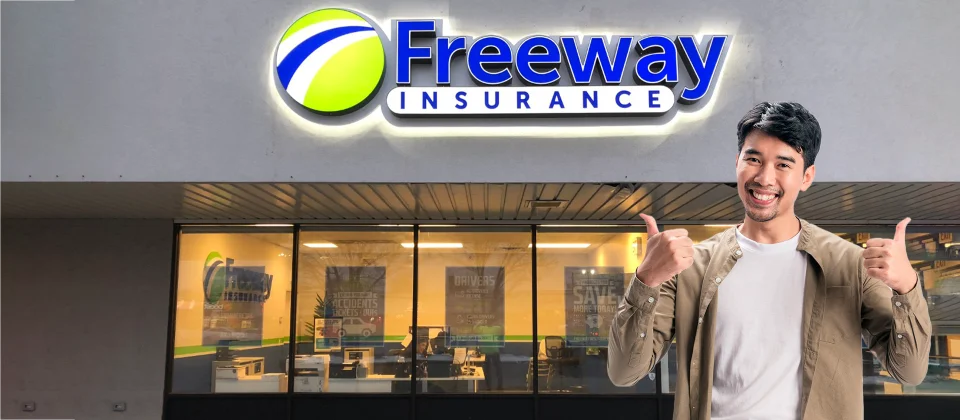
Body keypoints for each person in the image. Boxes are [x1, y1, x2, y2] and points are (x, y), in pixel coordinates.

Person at [607, 102, 932, 420]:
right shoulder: (691, 266)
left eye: (783, 164)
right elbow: (625, 373)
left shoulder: (849, 264)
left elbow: (909, 372)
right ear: (737, 162)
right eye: (753, 159)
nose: (764, 178)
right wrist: (646, 280)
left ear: (806, 177)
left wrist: (907, 287)